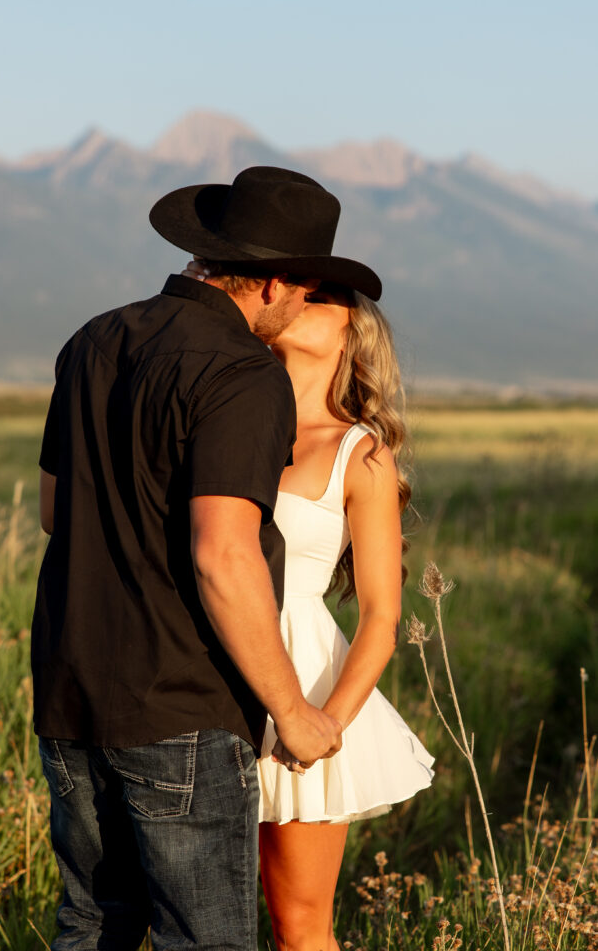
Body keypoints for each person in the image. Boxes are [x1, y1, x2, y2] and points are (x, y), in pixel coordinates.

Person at [32, 166, 383, 950]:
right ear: (272, 284)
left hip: (68, 691)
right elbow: (225, 556)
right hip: (180, 704)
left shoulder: (93, 339)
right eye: (304, 289)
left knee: (92, 923)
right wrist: (292, 712)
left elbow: (56, 513)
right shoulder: (240, 372)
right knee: (208, 939)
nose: (300, 307)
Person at [183, 264, 435, 951]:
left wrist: (327, 723)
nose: (293, 299)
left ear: (349, 327)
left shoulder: (361, 451)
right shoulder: (221, 415)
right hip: (197, 680)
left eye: (317, 297)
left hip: (301, 691)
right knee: (193, 920)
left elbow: (381, 615)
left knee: (298, 928)